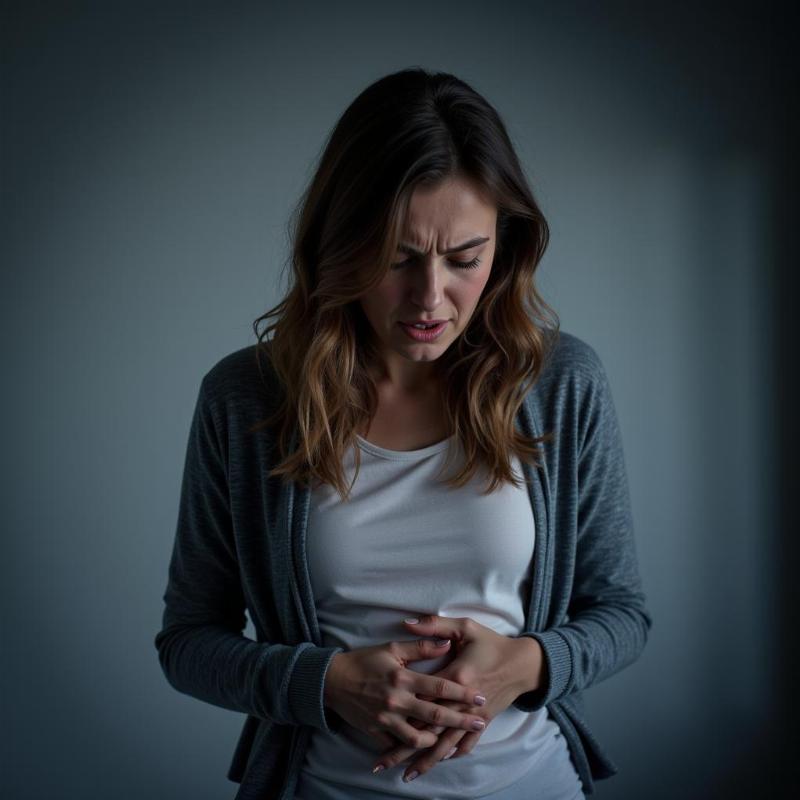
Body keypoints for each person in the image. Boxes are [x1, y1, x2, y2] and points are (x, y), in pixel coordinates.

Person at [154, 68, 652, 800]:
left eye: (464, 259)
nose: (430, 298)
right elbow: (188, 642)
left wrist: (526, 664)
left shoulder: (562, 382)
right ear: (342, 244)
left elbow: (622, 614)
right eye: (397, 257)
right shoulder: (247, 398)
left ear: (504, 249)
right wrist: (326, 682)